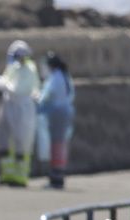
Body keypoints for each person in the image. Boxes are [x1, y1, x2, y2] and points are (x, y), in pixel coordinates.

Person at [0, 41, 39, 187]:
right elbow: (5, 80)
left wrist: (2, 84)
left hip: (22, 109)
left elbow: (18, 89)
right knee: (5, 141)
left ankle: (20, 176)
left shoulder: (29, 69)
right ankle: (7, 174)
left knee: (22, 142)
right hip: (8, 106)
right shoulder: (13, 67)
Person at [37, 52, 75, 190]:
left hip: (57, 114)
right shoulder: (63, 76)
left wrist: (39, 102)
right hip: (63, 113)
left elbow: (47, 95)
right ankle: (57, 176)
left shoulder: (56, 77)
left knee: (56, 145)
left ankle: (56, 178)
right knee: (60, 144)